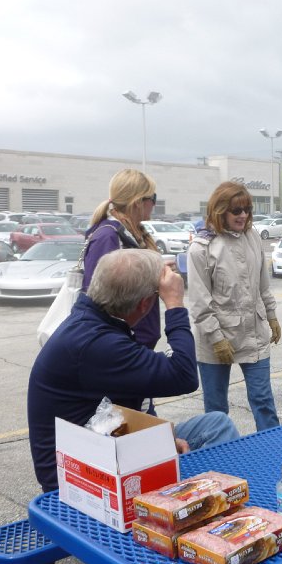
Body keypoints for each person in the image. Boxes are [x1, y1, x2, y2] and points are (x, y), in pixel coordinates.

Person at [28, 249, 239, 493]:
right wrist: (174, 305)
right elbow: (183, 375)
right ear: (145, 303)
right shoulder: (96, 344)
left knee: (216, 424)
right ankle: (222, 502)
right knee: (219, 433)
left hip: (105, 447)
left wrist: (160, 438)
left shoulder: (94, 321)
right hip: (82, 481)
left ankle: (219, 498)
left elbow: (128, 401)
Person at [186, 181, 281, 431]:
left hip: (253, 333)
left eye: (247, 209)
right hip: (214, 337)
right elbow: (199, 302)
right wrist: (216, 338)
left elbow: (263, 285)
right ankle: (220, 450)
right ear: (220, 211)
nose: (243, 216)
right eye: (236, 210)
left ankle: (273, 447)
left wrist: (271, 315)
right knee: (216, 410)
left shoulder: (252, 237)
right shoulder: (201, 248)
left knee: (263, 401)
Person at [82, 169, 162, 413]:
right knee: (135, 424)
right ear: (138, 202)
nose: (154, 204)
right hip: (122, 354)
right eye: (153, 198)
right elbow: (101, 299)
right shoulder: (109, 237)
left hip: (135, 349)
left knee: (143, 421)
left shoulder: (131, 234)